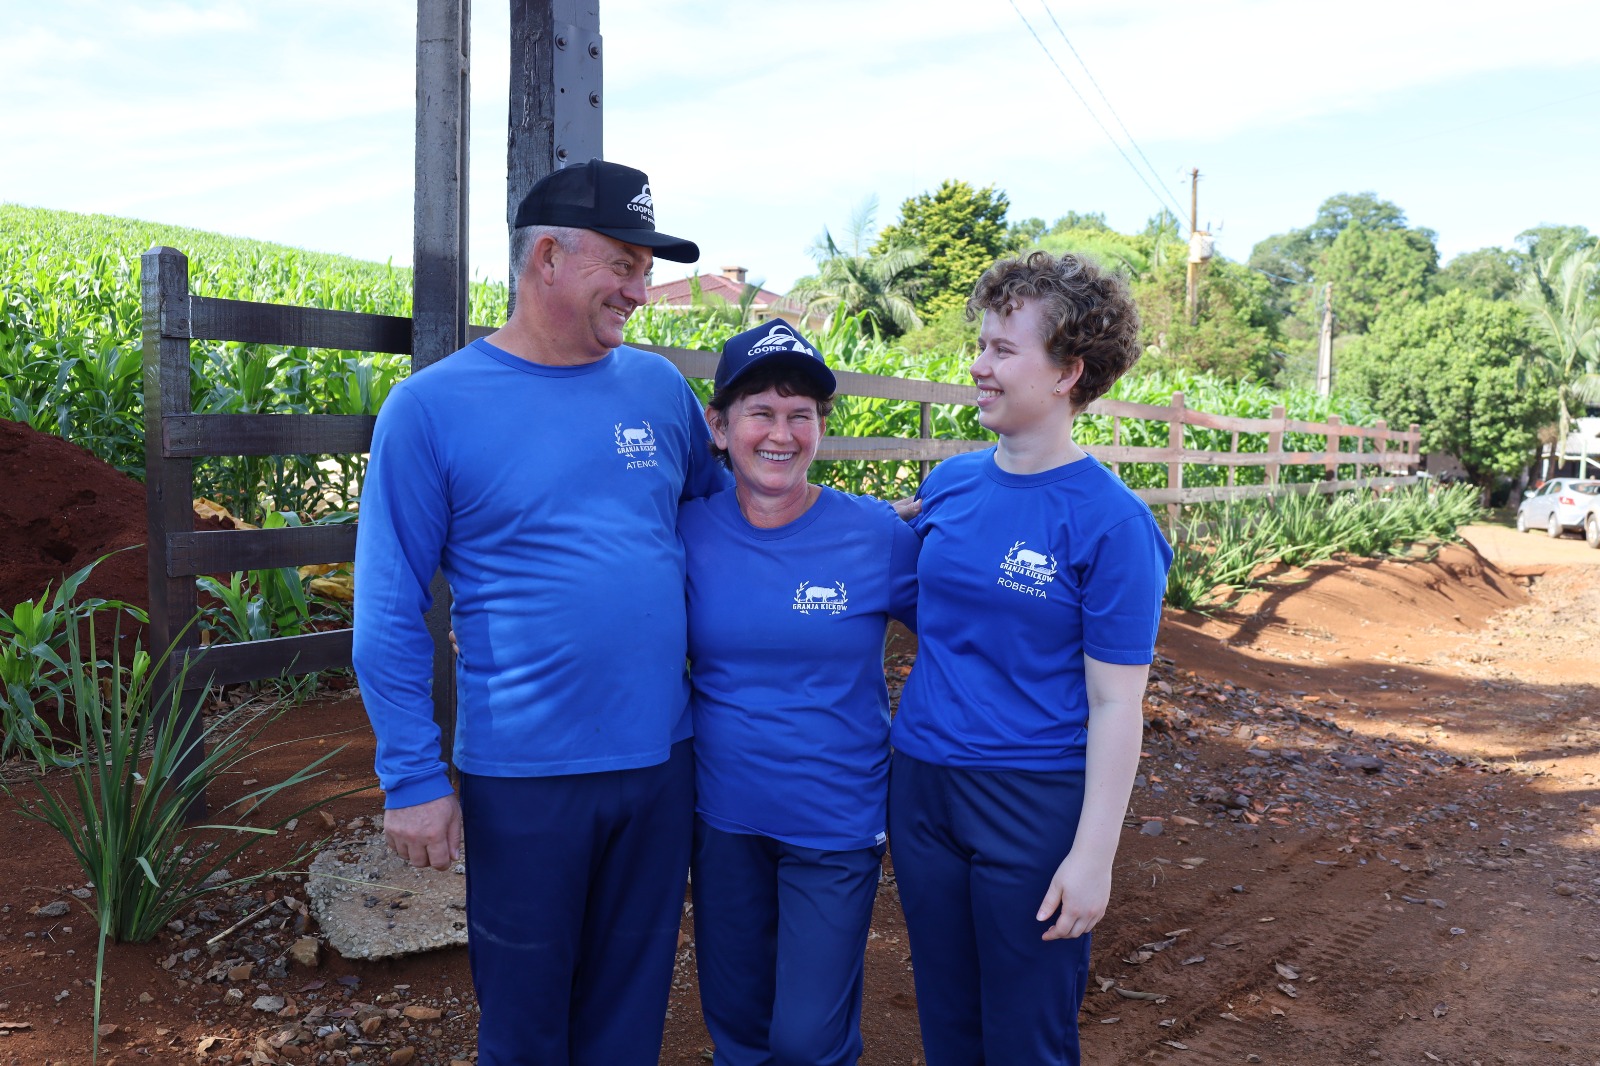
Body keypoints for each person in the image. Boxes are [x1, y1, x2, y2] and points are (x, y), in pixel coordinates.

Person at [352, 159, 729, 1066]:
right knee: (525, 1025)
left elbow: (725, 532)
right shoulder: (431, 409)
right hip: (524, 776)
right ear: (548, 258)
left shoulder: (658, 392)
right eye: (626, 265)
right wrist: (411, 776)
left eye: (646, 268)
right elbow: (391, 606)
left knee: (628, 1015)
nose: (642, 290)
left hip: (659, 761)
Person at [887, 251, 1173, 1065]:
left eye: (1003, 351)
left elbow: (1119, 705)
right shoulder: (948, 485)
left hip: (1031, 800)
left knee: (1026, 1035)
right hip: (923, 786)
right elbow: (868, 551)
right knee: (947, 1015)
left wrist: (1094, 857)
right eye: (981, 345)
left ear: (1067, 373)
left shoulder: (1112, 525)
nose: (979, 366)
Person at [680, 320, 919, 1066]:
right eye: (760, 412)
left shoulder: (876, 535)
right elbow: (610, 607)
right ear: (719, 427)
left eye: (801, 415)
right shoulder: (687, 531)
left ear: (820, 429)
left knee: (807, 1039)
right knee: (740, 1027)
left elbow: (961, 631)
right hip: (722, 818)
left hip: (835, 820)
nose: (780, 433)